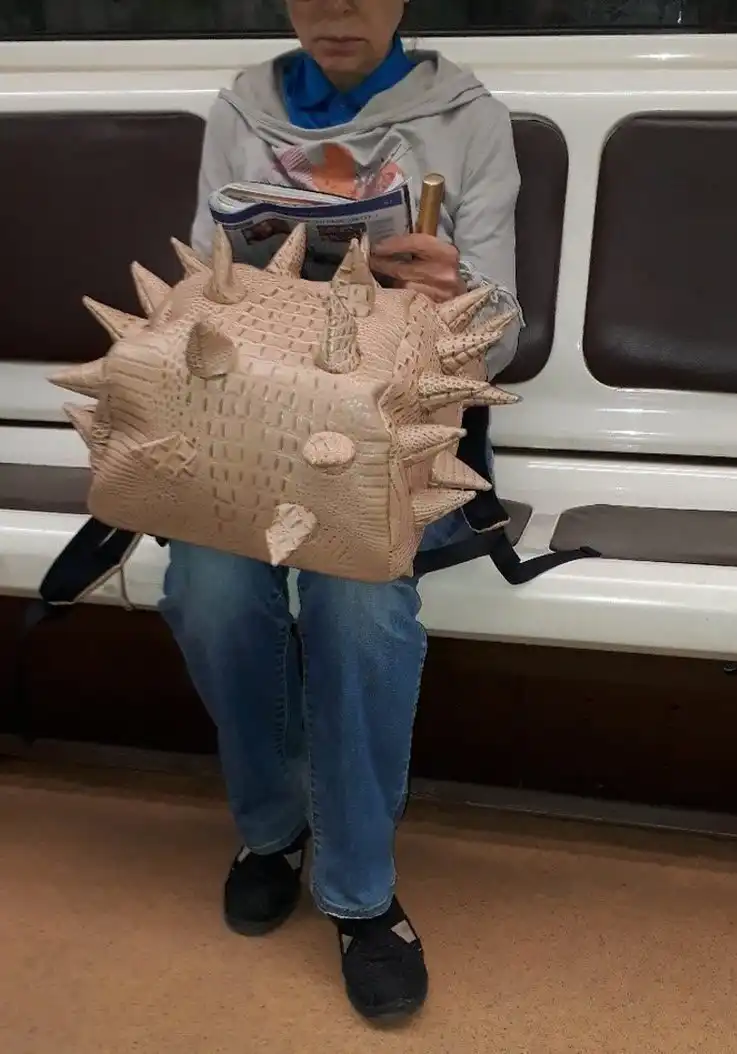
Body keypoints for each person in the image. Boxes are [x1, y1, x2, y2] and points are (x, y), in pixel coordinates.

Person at [159, 0, 522, 1023]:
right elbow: (197, 291)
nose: (335, 9)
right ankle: (273, 827)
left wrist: (457, 293)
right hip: (254, 431)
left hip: (394, 437)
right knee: (208, 589)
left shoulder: (467, 117)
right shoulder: (242, 108)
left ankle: (360, 889)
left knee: (356, 602)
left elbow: (502, 332)